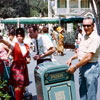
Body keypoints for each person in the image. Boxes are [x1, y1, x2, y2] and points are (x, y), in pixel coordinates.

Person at [66, 17, 100, 100]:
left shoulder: (95, 38)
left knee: (91, 96)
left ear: (93, 26)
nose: (86, 28)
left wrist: (75, 67)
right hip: (82, 67)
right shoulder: (85, 36)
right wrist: (72, 58)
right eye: (84, 25)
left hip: (91, 68)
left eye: (88, 25)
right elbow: (81, 53)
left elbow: (88, 57)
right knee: (83, 95)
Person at [0, 28, 31, 100]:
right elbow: (9, 45)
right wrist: (2, 40)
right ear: (16, 36)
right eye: (18, 36)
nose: (19, 37)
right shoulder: (14, 44)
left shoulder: (26, 46)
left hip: (24, 67)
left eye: (21, 36)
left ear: (23, 36)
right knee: (17, 87)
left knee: (23, 87)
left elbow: (29, 57)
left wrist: (28, 60)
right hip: (16, 67)